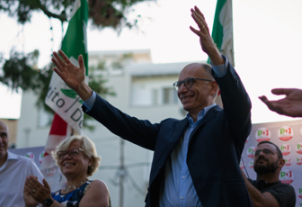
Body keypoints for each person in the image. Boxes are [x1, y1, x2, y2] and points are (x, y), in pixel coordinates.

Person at [51, 6, 253, 207]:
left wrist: (214, 54)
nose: (182, 90)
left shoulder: (227, 122)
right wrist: (82, 89)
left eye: (190, 82)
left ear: (213, 87)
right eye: (179, 84)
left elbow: (239, 102)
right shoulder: (169, 129)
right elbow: (123, 124)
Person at [23, 135, 111, 207]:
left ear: (90, 160)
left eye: (73, 152)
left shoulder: (96, 187)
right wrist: (30, 205)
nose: (66, 157)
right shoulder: (53, 195)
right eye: (62, 154)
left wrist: (47, 201)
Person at [0, 121, 44, 207]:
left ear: (9, 138)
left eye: (3, 135)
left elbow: (45, 198)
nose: (0, 140)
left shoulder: (26, 165)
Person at [241, 141, 296, 207]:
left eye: (267, 151)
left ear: (281, 163)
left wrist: (238, 172)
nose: (260, 154)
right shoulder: (246, 183)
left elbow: (260, 204)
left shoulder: (287, 190)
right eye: (257, 153)